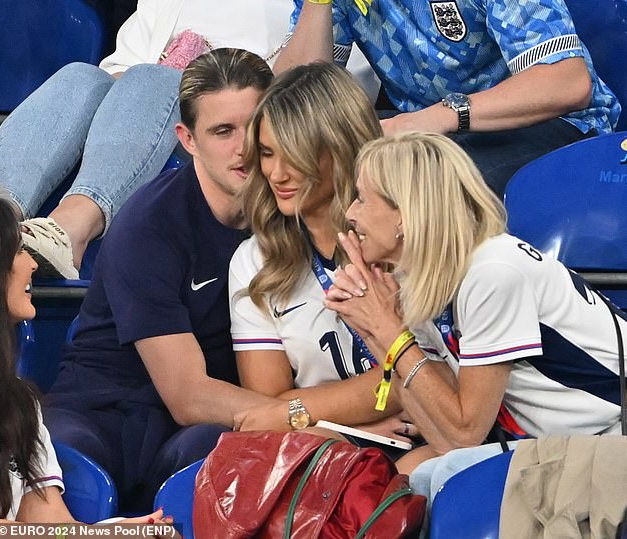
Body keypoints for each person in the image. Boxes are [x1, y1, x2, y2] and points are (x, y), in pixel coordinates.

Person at [324, 131, 627, 494]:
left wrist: (389, 330)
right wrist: (373, 328)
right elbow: (442, 431)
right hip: (555, 443)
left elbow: (465, 434)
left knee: (430, 481)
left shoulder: (492, 273)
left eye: (361, 199)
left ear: (404, 214)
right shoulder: (425, 277)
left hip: (611, 437)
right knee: (401, 482)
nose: (350, 214)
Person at [44, 48, 280, 512]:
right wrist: (308, 415)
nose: (242, 148)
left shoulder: (291, 213)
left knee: (221, 449)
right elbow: (188, 396)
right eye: (222, 132)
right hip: (106, 411)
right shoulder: (149, 224)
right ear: (187, 139)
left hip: (197, 427)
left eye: (253, 128)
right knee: (58, 461)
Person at [0, 0, 292, 280]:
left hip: (221, 138)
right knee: (80, 77)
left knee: (155, 79)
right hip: (144, 118)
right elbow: (115, 72)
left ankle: (68, 232)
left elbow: (306, 88)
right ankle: (0, 216)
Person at [230, 62, 411, 440]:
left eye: (294, 155)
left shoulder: (402, 230)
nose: (276, 174)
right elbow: (267, 408)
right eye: (266, 153)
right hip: (324, 444)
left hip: (428, 440)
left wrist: (296, 410)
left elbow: (417, 376)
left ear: (340, 148)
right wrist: (360, 425)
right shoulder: (254, 260)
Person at [275, 0, 621, 197]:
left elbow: (567, 83)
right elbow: (291, 94)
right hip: (429, 134)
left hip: (552, 125)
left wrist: (435, 117)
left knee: (420, 194)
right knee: (307, 168)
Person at [0, 198, 174, 535]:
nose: (33, 264)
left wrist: (119, 532)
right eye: (19, 251)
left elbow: (53, 527)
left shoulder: (19, 405)